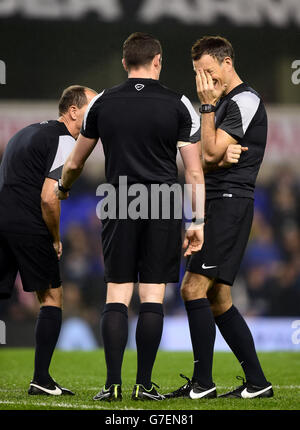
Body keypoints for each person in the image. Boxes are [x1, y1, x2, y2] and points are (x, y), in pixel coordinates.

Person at [55, 32, 207, 402]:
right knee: (152, 295)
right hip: (163, 202)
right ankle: (144, 384)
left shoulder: (102, 103)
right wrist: (197, 220)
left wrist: (63, 187)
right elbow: (194, 172)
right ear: (158, 61)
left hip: (120, 199)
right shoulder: (179, 104)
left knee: (117, 294)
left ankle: (112, 385)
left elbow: (75, 161)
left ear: (125, 63)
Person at [165, 36, 273, 400]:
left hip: (229, 203)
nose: (203, 82)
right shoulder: (224, 102)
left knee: (192, 288)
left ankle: (203, 383)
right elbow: (201, 157)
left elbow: (207, 153)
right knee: (219, 297)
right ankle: (257, 383)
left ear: (227, 63)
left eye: (208, 72)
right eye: (197, 74)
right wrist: (210, 154)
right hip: (217, 203)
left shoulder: (243, 101)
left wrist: (207, 111)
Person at [0, 85, 97, 395]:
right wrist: (55, 238)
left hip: (3, 219)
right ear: (72, 111)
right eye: (91, 107)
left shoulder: (27, 132)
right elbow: (47, 198)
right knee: (52, 298)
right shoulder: (65, 141)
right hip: (29, 223)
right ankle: (41, 379)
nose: (96, 113)